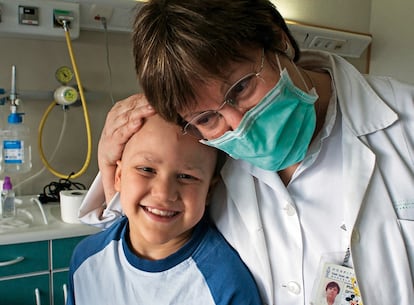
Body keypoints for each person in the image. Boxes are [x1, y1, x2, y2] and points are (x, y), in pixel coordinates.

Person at [79, 1, 414, 305]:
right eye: (208, 118)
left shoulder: (405, 123)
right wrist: (109, 158)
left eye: (241, 87)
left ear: (276, 36)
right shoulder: (206, 160)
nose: (239, 125)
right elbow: (139, 237)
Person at [68, 114, 262, 305]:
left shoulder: (227, 284)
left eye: (186, 176)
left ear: (209, 191)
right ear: (118, 176)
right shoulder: (86, 260)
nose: (163, 193)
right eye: (146, 169)